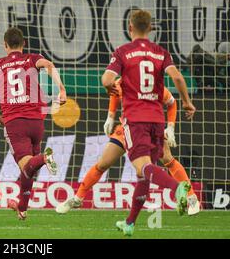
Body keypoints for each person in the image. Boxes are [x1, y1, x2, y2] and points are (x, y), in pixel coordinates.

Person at [101, 9, 196, 236]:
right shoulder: (160, 52)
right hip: (157, 119)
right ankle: (130, 223)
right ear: (150, 28)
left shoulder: (123, 52)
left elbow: (106, 79)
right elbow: (178, 78)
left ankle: (178, 188)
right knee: (144, 174)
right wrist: (186, 102)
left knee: (141, 166)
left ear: (130, 27)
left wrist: (108, 86)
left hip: (135, 119)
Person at [56, 80, 200, 216]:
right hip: (126, 130)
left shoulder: (153, 84)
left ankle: (191, 198)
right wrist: (110, 116)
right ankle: (77, 198)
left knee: (167, 160)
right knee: (103, 163)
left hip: (149, 129)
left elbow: (172, 103)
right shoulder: (122, 81)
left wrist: (171, 127)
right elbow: (115, 92)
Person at [0, 27, 66, 220]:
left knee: (27, 164)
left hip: (14, 122)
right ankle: (22, 207)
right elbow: (50, 65)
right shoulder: (32, 58)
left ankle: (45, 158)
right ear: (23, 44)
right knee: (28, 169)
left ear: (5, 45)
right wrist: (61, 89)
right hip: (37, 121)